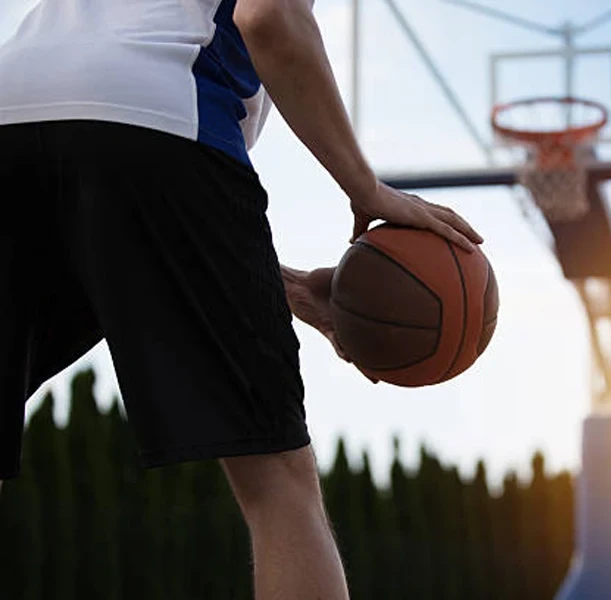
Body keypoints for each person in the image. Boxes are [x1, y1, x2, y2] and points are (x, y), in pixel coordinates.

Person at [0, 0, 482, 598]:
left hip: (12, 102)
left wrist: (289, 289)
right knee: (278, 480)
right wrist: (365, 186)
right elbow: (269, 16)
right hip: (165, 106)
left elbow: (147, 236)